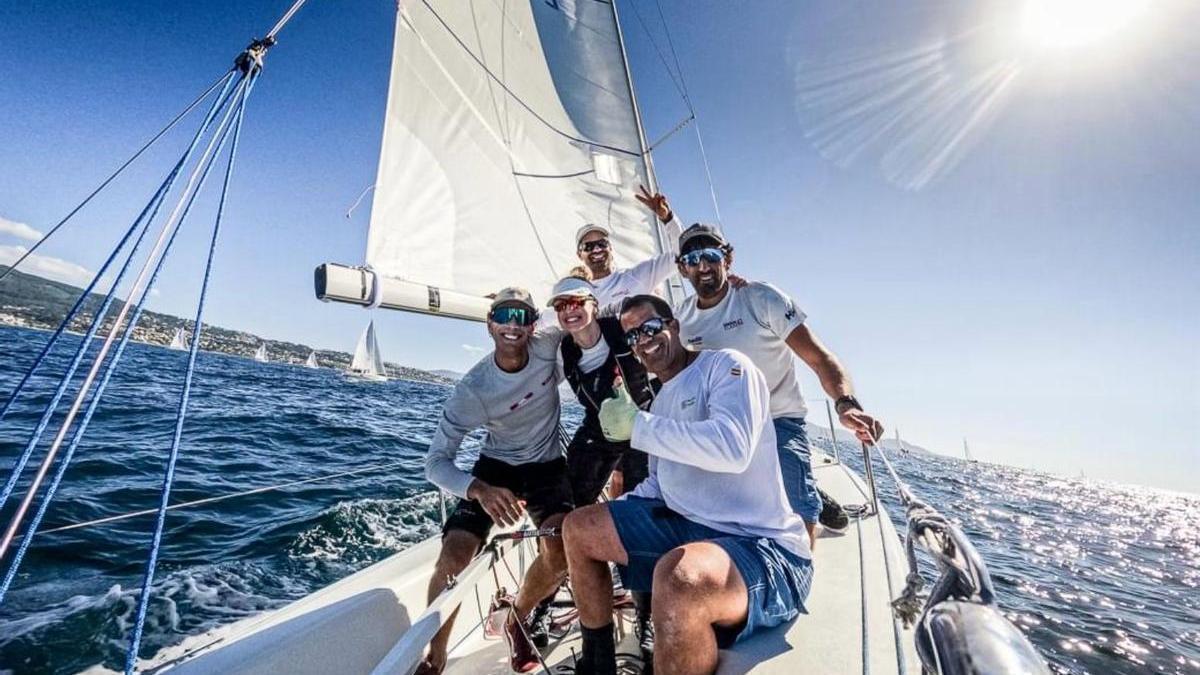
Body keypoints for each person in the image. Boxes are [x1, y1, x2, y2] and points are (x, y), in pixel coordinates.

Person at [562, 295, 812, 675]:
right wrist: (608, 515)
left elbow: (733, 448)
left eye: (650, 328)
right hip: (692, 526)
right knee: (577, 528)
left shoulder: (727, 366)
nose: (643, 341)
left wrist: (639, 427)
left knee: (680, 579)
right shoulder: (661, 402)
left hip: (762, 545)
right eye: (632, 337)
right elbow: (660, 486)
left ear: (674, 325)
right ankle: (598, 665)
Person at [668, 221, 884, 544]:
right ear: (682, 269)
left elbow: (819, 357)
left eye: (711, 255)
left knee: (795, 522)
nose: (702, 266)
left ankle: (801, 494)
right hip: (718, 429)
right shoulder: (680, 319)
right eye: (692, 258)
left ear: (728, 259)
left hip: (777, 422)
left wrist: (844, 403)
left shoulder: (760, 298)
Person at [418, 288, 569, 674]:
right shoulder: (474, 389)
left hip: (547, 465)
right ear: (489, 324)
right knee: (454, 553)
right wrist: (480, 490)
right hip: (495, 467)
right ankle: (435, 655)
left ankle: (518, 616)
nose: (512, 325)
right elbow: (435, 462)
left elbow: (591, 312)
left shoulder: (550, 345)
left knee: (562, 552)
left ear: (535, 324)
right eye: (504, 315)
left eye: (522, 316)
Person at [548, 273, 657, 660]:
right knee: (563, 508)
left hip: (643, 429)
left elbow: (667, 337)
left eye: (577, 302)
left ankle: (646, 618)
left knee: (641, 521)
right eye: (561, 306)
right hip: (599, 431)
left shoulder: (619, 328)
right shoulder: (564, 350)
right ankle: (553, 593)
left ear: (594, 304)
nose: (570, 311)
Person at [573, 185, 682, 307]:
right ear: (579, 255)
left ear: (610, 248)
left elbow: (683, 254)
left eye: (602, 243)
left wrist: (668, 219)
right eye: (589, 246)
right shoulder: (578, 298)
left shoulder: (638, 276)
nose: (597, 249)